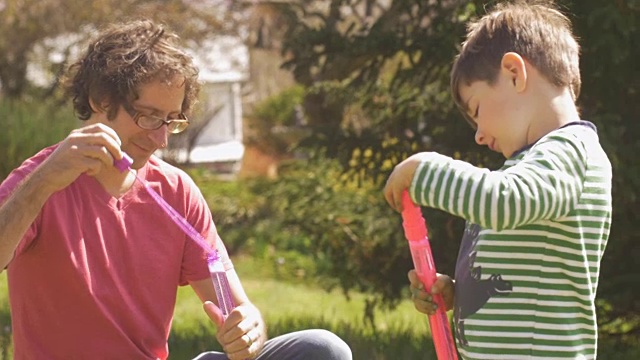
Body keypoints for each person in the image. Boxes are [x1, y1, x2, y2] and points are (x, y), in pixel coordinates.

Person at [0, 19, 351, 360]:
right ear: (100, 99)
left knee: (323, 349)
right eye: (149, 116)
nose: (160, 138)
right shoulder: (37, 181)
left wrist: (249, 329)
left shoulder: (176, 191)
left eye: (171, 120)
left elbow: (241, 310)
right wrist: (42, 184)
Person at [383, 1, 612, 359]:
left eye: (476, 110)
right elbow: (524, 273)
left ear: (514, 73)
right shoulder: (534, 164)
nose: (478, 135)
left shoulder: (571, 153)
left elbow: (503, 202)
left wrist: (425, 169)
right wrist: (462, 295)